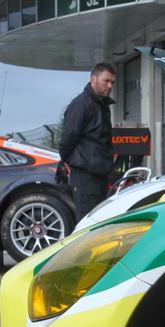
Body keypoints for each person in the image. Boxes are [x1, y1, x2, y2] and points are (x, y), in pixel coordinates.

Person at [58, 62, 116, 219]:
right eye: (106, 81)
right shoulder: (82, 104)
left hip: (99, 172)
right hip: (85, 173)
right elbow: (69, 136)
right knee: (87, 220)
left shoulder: (101, 104)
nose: (110, 86)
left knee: (98, 220)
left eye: (112, 82)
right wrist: (65, 159)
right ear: (93, 79)